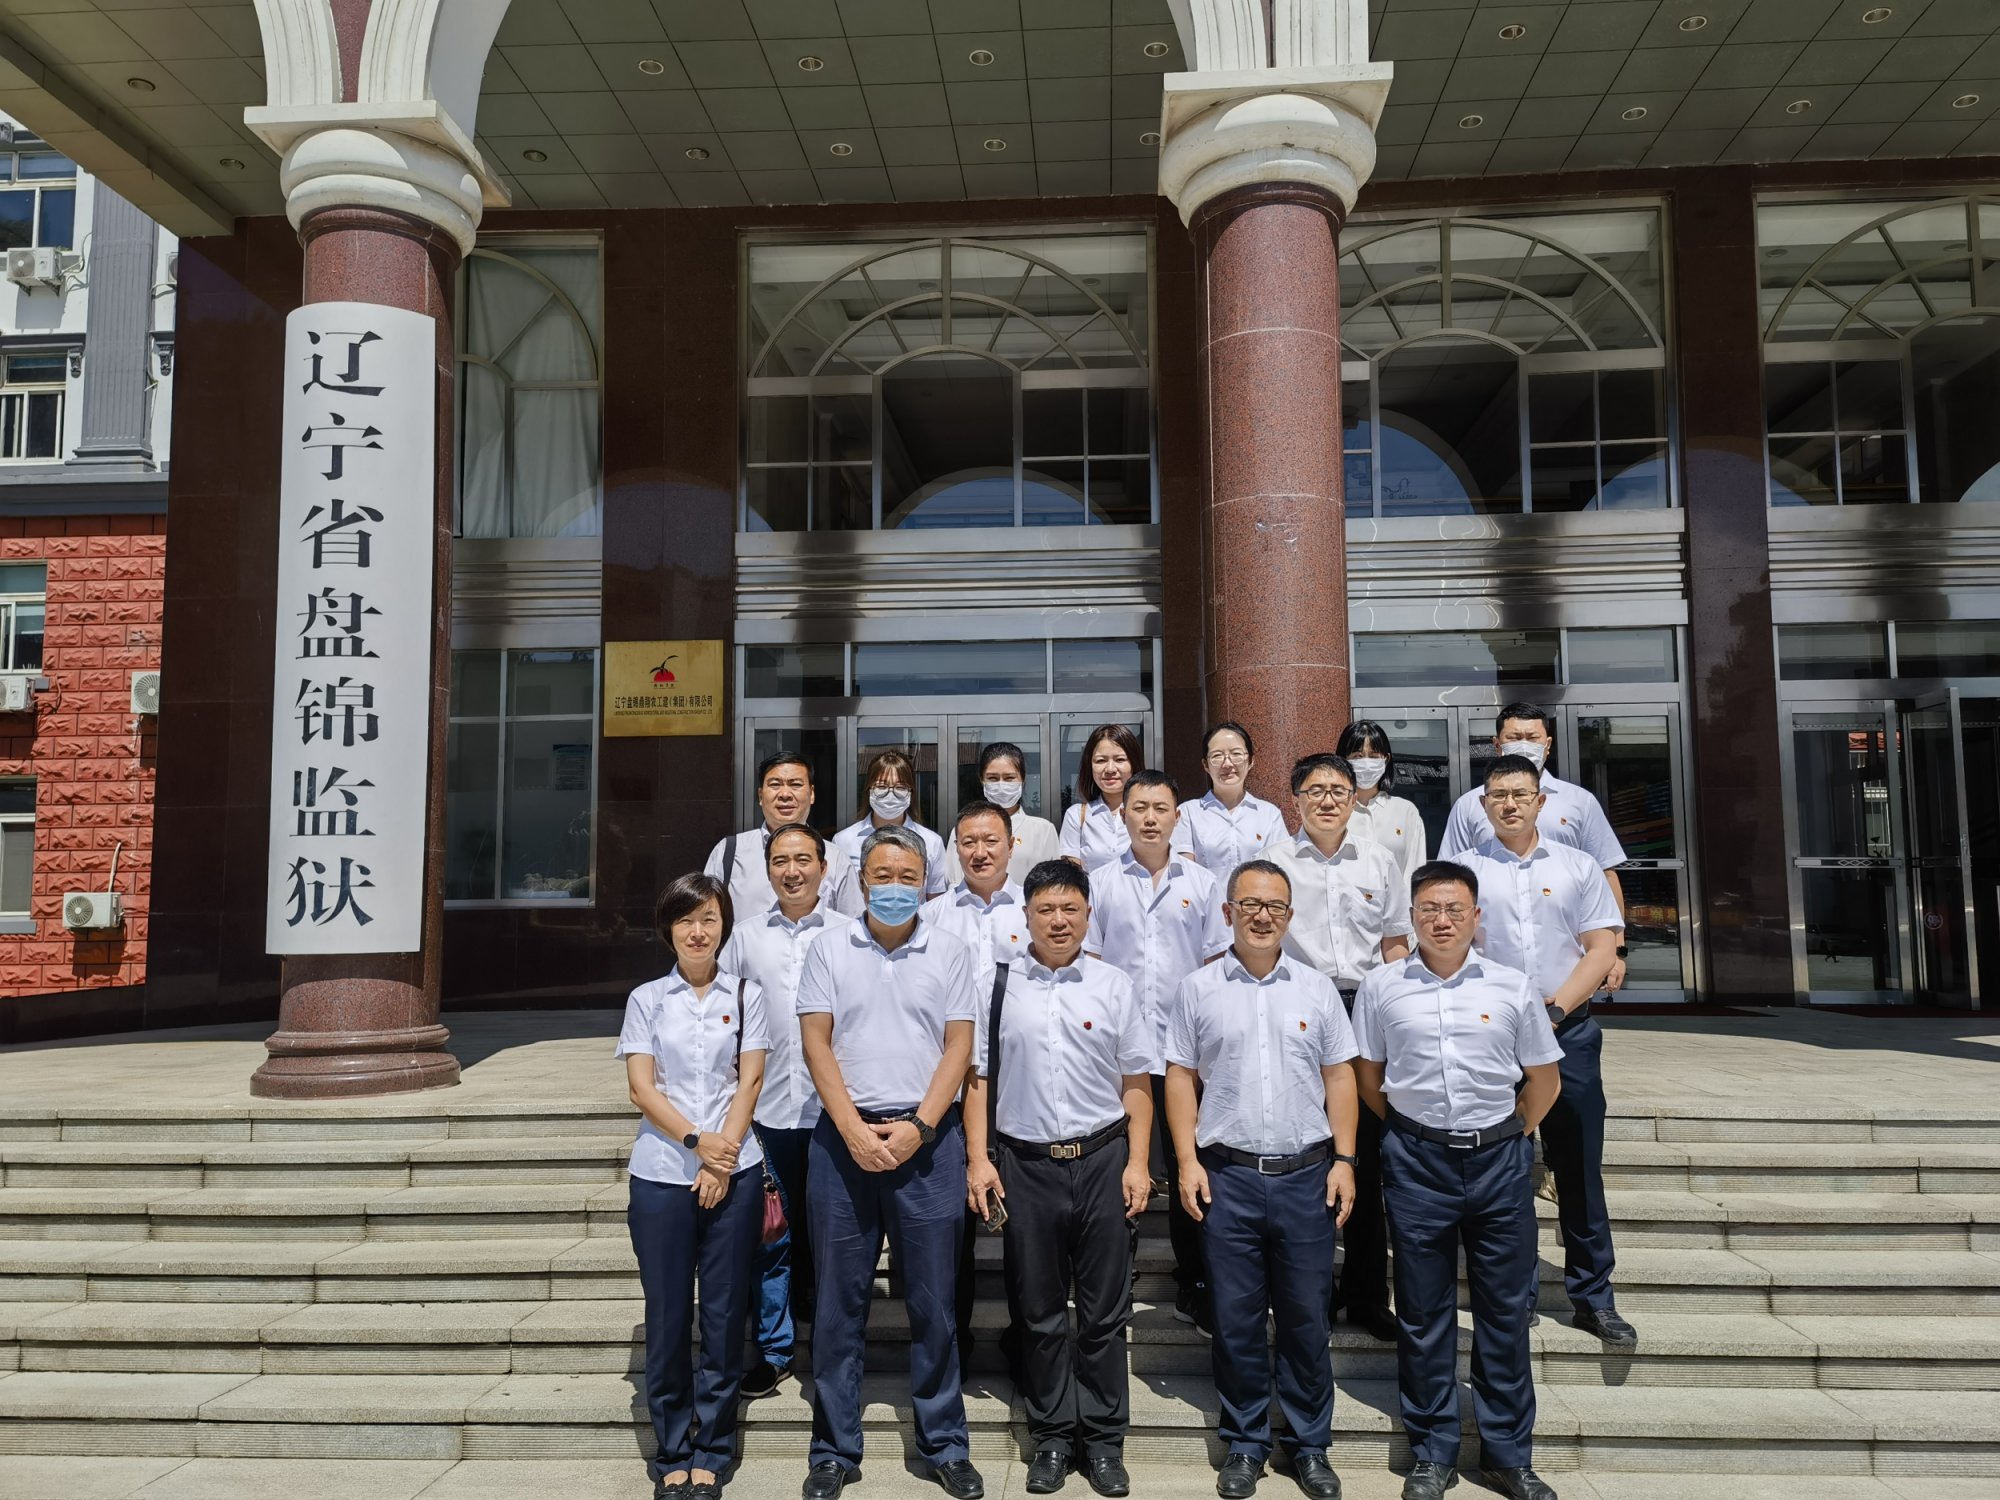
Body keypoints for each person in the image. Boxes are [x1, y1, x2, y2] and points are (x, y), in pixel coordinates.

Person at [1351, 862, 1564, 1500]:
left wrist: (1512, 1134)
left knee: (1504, 1312)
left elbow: (1543, 1079)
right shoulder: (1381, 987)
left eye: (1453, 909)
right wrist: (1414, 1132)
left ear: (1475, 917)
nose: (1441, 921)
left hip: (1499, 1162)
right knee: (1423, 1313)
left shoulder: (1511, 985)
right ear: (1412, 917)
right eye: (1429, 909)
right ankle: (1433, 1452)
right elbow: (1369, 1077)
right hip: (1418, 1163)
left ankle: (1508, 1455)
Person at [795, 824, 983, 1500]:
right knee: (837, 1306)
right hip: (842, 1144)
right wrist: (852, 1130)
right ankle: (833, 1450)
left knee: (934, 1305)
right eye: (883, 876)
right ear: (861, 881)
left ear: (926, 884)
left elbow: (959, 1047)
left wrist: (920, 1128)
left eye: (908, 877)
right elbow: (816, 1043)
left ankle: (945, 1444)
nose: (895, 887)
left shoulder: (952, 950)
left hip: (927, 1147)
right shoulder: (828, 947)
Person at [1164, 859, 1359, 1500]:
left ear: (1290, 915)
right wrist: (1187, 1160)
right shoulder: (1197, 989)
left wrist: (1345, 1160)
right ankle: (1245, 1443)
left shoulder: (1317, 989)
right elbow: (1179, 1078)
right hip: (1229, 1178)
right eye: (1249, 904)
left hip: (1307, 1177)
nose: (1262, 915)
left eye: (1275, 905)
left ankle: (1309, 1446)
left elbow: (1340, 1077)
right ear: (1228, 912)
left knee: (1306, 1319)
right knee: (1237, 1320)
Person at [966, 860, 1155, 1498]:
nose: (1058, 920)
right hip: (1025, 1165)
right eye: (1045, 909)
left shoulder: (1113, 984)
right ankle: (1050, 1436)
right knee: (1039, 1311)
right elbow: (978, 1080)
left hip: (1102, 1160)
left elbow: (1136, 1081)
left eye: (1070, 909)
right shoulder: (997, 985)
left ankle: (1102, 1441)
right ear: (1025, 916)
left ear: (1088, 914)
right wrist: (979, 1158)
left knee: (1103, 1314)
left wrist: (1137, 1162)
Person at [1456, 757, 1634, 1347]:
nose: (1509, 804)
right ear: (1483, 805)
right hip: (1493, 1040)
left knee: (1578, 1167)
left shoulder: (1577, 865)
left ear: (1540, 802)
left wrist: (1555, 1011)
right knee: (1506, 1172)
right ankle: (1517, 1298)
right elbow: (1452, 948)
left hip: (1567, 1033)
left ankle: (1594, 1298)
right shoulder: (1465, 872)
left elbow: (1601, 946)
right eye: (1498, 795)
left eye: (1520, 794)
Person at [617, 873, 768, 1500]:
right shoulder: (647, 998)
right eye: (685, 920)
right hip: (661, 1174)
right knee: (668, 1313)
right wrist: (695, 1143)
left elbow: (749, 1080)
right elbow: (641, 1087)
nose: (698, 931)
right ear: (668, 929)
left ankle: (713, 1449)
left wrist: (721, 1159)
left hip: (736, 1172)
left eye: (708, 918)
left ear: (723, 926)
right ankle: (673, 1449)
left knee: (726, 1314)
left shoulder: (747, 994)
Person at [1265, 752, 1413, 1344]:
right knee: (1311, 1152)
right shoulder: (1275, 862)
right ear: (1295, 799)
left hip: (1366, 1009)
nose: (1327, 800)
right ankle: (1313, 1294)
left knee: (1366, 1155)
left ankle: (1367, 1295)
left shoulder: (1379, 860)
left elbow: (1396, 944)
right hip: (1298, 1009)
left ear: (1355, 799)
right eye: (1315, 790)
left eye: (1338, 790)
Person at [1081, 769, 1228, 1333]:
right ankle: (1116, 1280)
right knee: (1118, 1167)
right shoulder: (1099, 883)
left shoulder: (1204, 883)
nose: (1149, 818)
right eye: (1139, 807)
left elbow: (1215, 965)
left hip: (1183, 1053)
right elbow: (1091, 964)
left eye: (1160, 808)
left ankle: (1195, 1283)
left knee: (1191, 1162)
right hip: (1116, 1054)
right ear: (1122, 814)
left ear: (1176, 816)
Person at [718, 823, 858, 1399]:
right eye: (780, 861)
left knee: (835, 1237)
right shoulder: (744, 938)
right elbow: (725, 1021)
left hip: (837, 1115)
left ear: (825, 868)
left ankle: (834, 1352)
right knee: (770, 1237)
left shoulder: (852, 933)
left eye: (804, 860)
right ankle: (774, 1352)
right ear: (768, 869)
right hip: (768, 1112)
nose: (792, 871)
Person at [922, 799, 1033, 1376]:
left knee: (1026, 1225)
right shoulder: (932, 915)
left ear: (1013, 845)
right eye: (969, 842)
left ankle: (1025, 1340)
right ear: (954, 848)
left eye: (992, 841)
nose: (981, 852)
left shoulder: (1035, 910)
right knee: (954, 1226)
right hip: (952, 1086)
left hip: (1023, 1085)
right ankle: (954, 1344)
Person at [1437, 704, 1630, 991]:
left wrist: (1616, 950)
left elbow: (1606, 873)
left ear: (1548, 745)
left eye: (1532, 737)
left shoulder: (1579, 801)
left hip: (1567, 963)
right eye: (1514, 738)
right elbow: (1448, 881)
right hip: (1491, 969)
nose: (1524, 744)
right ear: (1497, 744)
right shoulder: (1469, 805)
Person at [708, 751, 860, 920]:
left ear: (812, 794)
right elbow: (705, 917)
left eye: (795, 785)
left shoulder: (835, 858)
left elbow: (852, 924)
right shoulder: (729, 852)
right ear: (760, 795)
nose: (785, 794)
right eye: (775, 785)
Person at [1058, 723, 1192, 873]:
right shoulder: (1077, 816)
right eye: (1101, 760)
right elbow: (1071, 877)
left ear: (1133, 763)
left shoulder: (1159, 814)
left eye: (1120, 760)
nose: (1110, 769)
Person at [833, 749, 949, 899]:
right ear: (869, 789)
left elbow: (936, 902)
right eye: (881, 787)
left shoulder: (931, 842)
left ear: (911, 792)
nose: (890, 794)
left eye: (900, 787)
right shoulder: (843, 841)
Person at [941, 742, 1062, 885]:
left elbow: (1051, 885)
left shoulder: (1043, 830)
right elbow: (954, 882)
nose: (1001, 785)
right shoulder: (964, 829)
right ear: (982, 780)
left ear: (1023, 779)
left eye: (1009, 777)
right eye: (992, 778)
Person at [1180, 722, 1287, 874]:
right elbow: (1184, 872)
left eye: (1236, 754)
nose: (1227, 764)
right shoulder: (1187, 813)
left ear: (1251, 761)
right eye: (1217, 756)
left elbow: (1280, 869)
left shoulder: (1269, 814)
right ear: (1206, 765)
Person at [1337, 720, 1430, 883]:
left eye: (1373, 756)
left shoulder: (1406, 811)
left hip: (1396, 900)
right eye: (1357, 756)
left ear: (1386, 760)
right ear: (1343, 760)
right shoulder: (1333, 810)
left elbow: (1414, 871)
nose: (1366, 763)